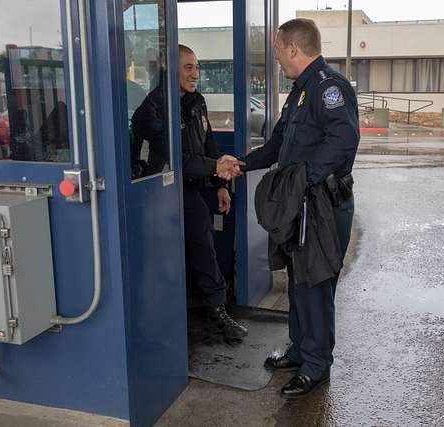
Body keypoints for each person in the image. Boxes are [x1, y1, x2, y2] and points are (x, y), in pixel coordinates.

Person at [239, 19, 359, 399]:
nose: (277, 58)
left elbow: (344, 140)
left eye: (277, 51)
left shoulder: (328, 87)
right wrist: (242, 164)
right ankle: (299, 350)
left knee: (315, 284)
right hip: (302, 205)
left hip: (322, 204)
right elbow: (277, 145)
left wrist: (301, 179)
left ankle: (317, 365)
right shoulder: (300, 92)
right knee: (298, 282)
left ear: (292, 48)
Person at [132, 45, 247, 341]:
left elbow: (208, 145)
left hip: (190, 191)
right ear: (170, 70)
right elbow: (177, 160)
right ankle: (156, 323)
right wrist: (217, 167)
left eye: (197, 67)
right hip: (157, 194)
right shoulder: (153, 109)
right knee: (161, 259)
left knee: (205, 247)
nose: (195, 74)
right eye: (188, 68)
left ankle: (218, 312)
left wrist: (221, 184)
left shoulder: (197, 102)